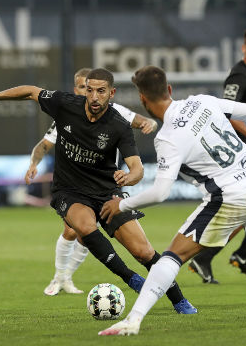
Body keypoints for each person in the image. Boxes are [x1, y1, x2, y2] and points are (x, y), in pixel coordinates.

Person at [98, 66, 246, 336]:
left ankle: (133, 320)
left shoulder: (168, 138)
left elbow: (160, 193)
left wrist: (122, 205)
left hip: (230, 196)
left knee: (172, 256)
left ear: (142, 99)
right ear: (170, 89)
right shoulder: (200, 100)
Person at [0, 68, 196, 314]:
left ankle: (179, 299)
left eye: (101, 91)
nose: (94, 97)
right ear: (84, 90)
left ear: (111, 93)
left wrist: (129, 178)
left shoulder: (119, 125)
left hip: (106, 192)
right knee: (85, 227)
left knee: (143, 251)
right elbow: (31, 92)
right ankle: (129, 278)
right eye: (90, 90)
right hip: (69, 190)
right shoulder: (66, 105)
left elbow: (137, 168)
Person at [25, 67, 158, 296]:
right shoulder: (68, 113)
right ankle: (61, 277)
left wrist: (150, 123)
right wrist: (33, 163)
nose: (87, 94)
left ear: (109, 92)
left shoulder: (116, 113)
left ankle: (66, 277)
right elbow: (44, 144)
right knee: (74, 231)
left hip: (106, 188)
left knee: (123, 245)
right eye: (82, 88)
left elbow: (142, 121)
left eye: (95, 89)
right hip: (74, 188)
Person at [189, 26, 246, 283]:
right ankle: (208, 256)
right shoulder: (238, 76)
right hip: (240, 150)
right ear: (244, 48)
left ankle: (238, 253)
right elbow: (226, 115)